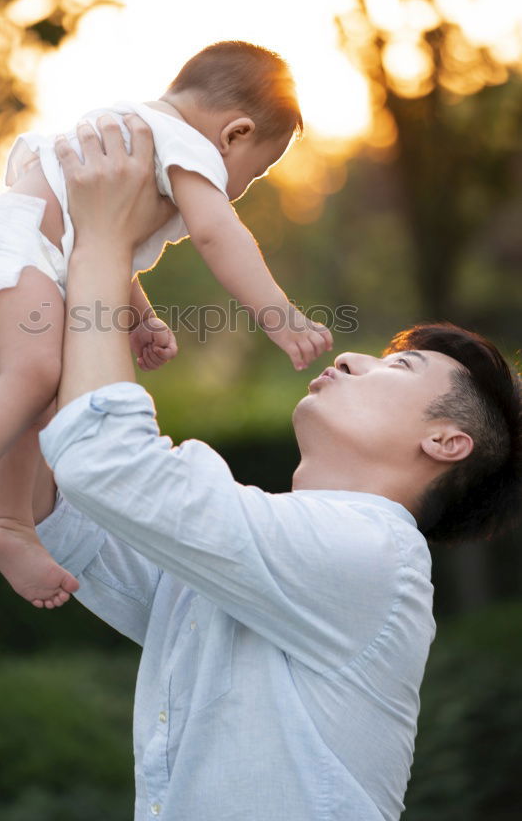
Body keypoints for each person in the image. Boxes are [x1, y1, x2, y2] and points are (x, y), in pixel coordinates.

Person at [32, 114, 521, 821]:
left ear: (446, 441)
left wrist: (106, 243)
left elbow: (108, 466)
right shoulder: (262, 561)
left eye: (399, 365)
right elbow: (76, 519)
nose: (352, 357)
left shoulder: (371, 553)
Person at [0, 41, 333, 607]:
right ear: (233, 134)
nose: (237, 190)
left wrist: (141, 318)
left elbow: (98, 244)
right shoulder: (184, 144)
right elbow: (219, 235)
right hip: (15, 255)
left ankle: (12, 526)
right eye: (254, 175)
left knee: (36, 394)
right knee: (34, 374)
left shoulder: (136, 135)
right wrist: (280, 316)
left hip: (30, 260)